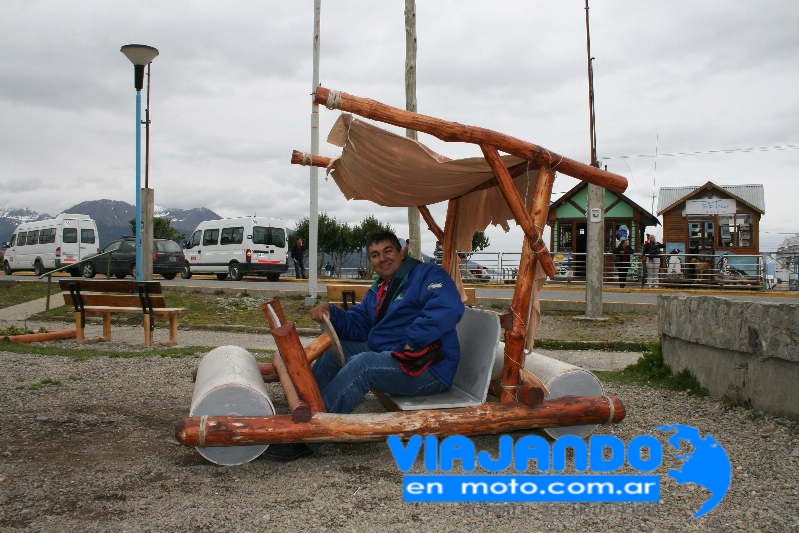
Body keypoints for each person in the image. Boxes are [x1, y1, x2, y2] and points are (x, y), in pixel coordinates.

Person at [267, 231, 465, 461]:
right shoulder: (381, 288)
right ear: (371, 261)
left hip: (428, 368)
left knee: (363, 365)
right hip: (397, 357)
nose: (383, 259)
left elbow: (448, 307)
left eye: (388, 251)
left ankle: (311, 436)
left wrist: (415, 338)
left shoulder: (427, 274)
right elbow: (359, 324)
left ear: (401, 252)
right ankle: (308, 407)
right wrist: (332, 312)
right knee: (335, 350)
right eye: (375, 255)